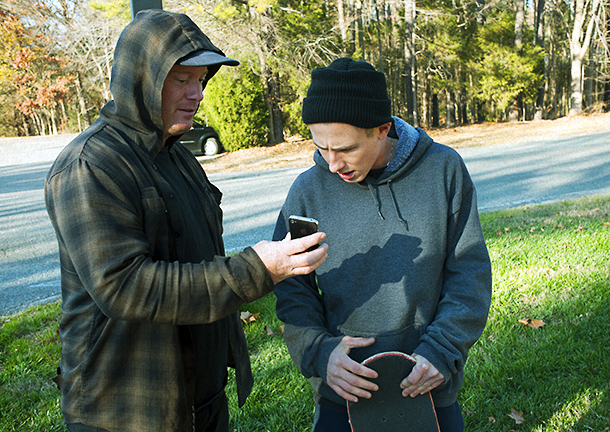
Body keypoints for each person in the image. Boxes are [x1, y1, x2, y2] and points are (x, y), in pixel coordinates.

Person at [45, 10, 327, 432]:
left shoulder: (179, 156)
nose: (196, 94)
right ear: (141, 79)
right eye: (181, 79)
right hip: (127, 411)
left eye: (201, 80)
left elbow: (196, 257)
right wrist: (257, 268)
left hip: (200, 401)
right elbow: (124, 288)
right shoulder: (91, 166)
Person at [272, 57, 492, 432]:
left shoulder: (443, 170)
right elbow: (293, 287)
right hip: (342, 391)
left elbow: (468, 273)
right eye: (321, 148)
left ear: (382, 129)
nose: (332, 163)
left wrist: (442, 350)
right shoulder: (308, 190)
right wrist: (319, 353)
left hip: (427, 385)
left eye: (345, 148)